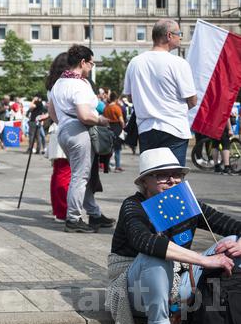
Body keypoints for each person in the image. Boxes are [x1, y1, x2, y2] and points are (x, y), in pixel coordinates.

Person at [107, 147, 241, 324]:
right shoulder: (133, 205)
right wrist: (204, 259)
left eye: (176, 174)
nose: (172, 180)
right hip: (136, 289)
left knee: (230, 240)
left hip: (181, 279)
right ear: (144, 181)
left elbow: (234, 226)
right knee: (154, 254)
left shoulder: (184, 202)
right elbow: (145, 242)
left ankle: (228, 310)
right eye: (161, 175)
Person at [47, 44, 115, 233]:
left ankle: (94, 213)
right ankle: (74, 218)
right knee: (80, 176)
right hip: (79, 132)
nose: (91, 67)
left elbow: (51, 110)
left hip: (64, 130)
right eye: (91, 63)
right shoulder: (78, 84)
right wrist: (101, 120)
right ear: (83, 62)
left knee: (81, 175)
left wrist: (63, 122)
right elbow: (85, 115)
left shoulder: (59, 82)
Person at [123, 19, 197, 166]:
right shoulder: (179, 63)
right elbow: (192, 100)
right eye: (179, 34)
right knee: (173, 179)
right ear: (169, 35)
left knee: (151, 178)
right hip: (174, 128)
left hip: (146, 129)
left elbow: (130, 97)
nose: (181, 37)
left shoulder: (135, 62)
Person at [45, 53, 71, 222]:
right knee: (64, 172)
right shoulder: (64, 84)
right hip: (65, 128)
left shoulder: (51, 84)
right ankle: (62, 211)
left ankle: (58, 209)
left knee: (58, 172)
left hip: (55, 128)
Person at [103, 91, 125, 173]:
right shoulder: (117, 108)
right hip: (117, 128)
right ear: (115, 99)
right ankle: (117, 166)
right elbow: (121, 120)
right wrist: (123, 127)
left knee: (109, 149)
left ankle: (107, 166)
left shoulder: (106, 108)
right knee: (117, 149)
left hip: (108, 128)